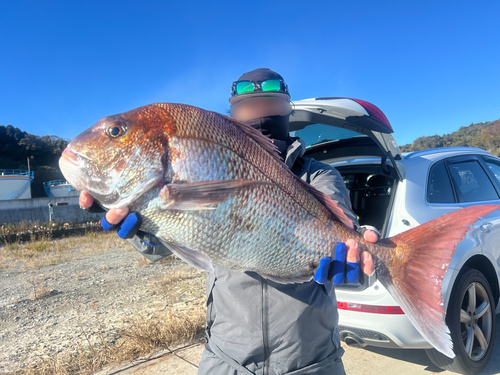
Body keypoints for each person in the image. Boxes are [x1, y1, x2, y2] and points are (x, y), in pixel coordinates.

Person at [79, 68, 379, 374]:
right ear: (233, 114)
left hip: (313, 361)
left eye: (271, 102)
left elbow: (347, 237)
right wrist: (141, 230)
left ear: (288, 108)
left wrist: (363, 253)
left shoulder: (319, 175)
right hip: (227, 359)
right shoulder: (198, 166)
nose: (260, 110)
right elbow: (159, 250)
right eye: (248, 105)